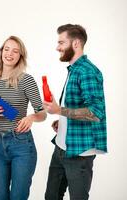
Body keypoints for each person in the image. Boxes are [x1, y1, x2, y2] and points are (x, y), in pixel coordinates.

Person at [43, 24, 107, 200]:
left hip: (79, 153)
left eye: (61, 42)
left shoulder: (86, 71)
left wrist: (59, 110)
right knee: (51, 196)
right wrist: (62, 122)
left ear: (76, 43)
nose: (58, 47)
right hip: (62, 147)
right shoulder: (74, 69)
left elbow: (96, 112)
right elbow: (78, 105)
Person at [0, 36, 47, 200]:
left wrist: (31, 117)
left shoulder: (26, 80)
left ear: (20, 56)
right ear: (1, 52)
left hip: (21, 145)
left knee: (18, 197)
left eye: (15, 51)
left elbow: (42, 113)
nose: (9, 54)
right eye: (6, 49)